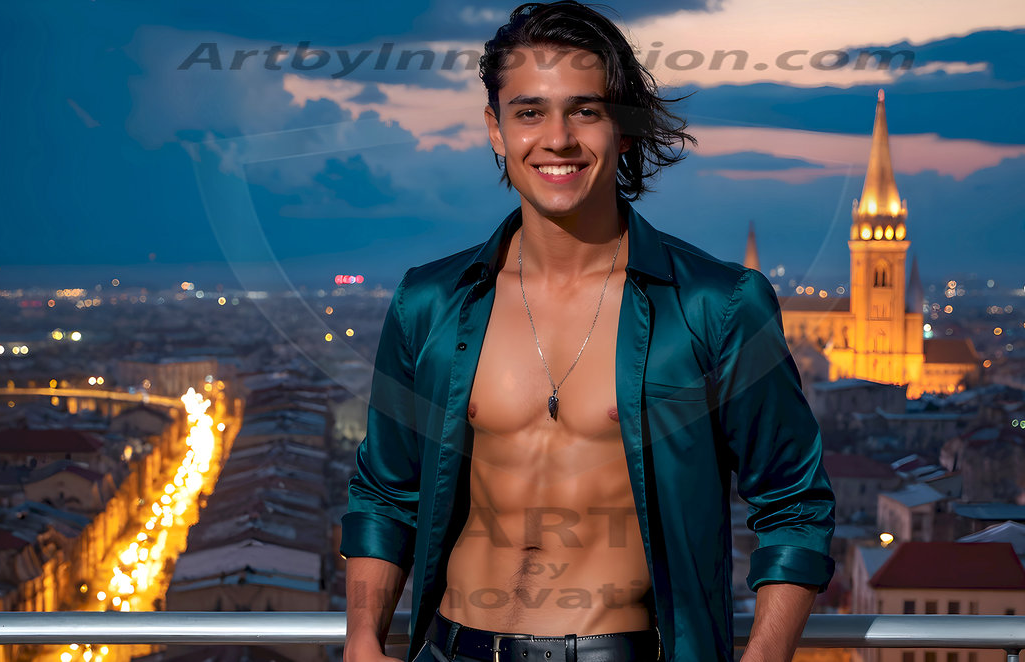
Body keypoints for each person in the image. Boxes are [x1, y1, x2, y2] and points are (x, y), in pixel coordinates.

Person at [339, 2, 836, 661]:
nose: (558, 139)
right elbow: (385, 493)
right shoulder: (429, 303)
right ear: (495, 130)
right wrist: (362, 638)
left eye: (585, 111)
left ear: (624, 129)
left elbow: (793, 502)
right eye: (529, 112)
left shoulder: (717, 305)